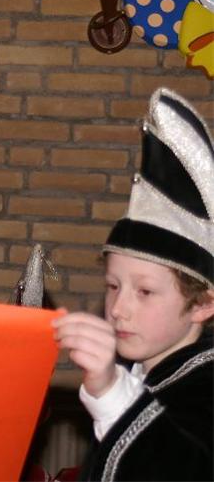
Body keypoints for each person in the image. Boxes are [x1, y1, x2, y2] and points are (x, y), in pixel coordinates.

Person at [53, 88, 214, 481]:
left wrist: (111, 392)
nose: (118, 309)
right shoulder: (141, 367)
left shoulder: (206, 384)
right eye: (113, 286)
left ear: (203, 304)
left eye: (145, 292)